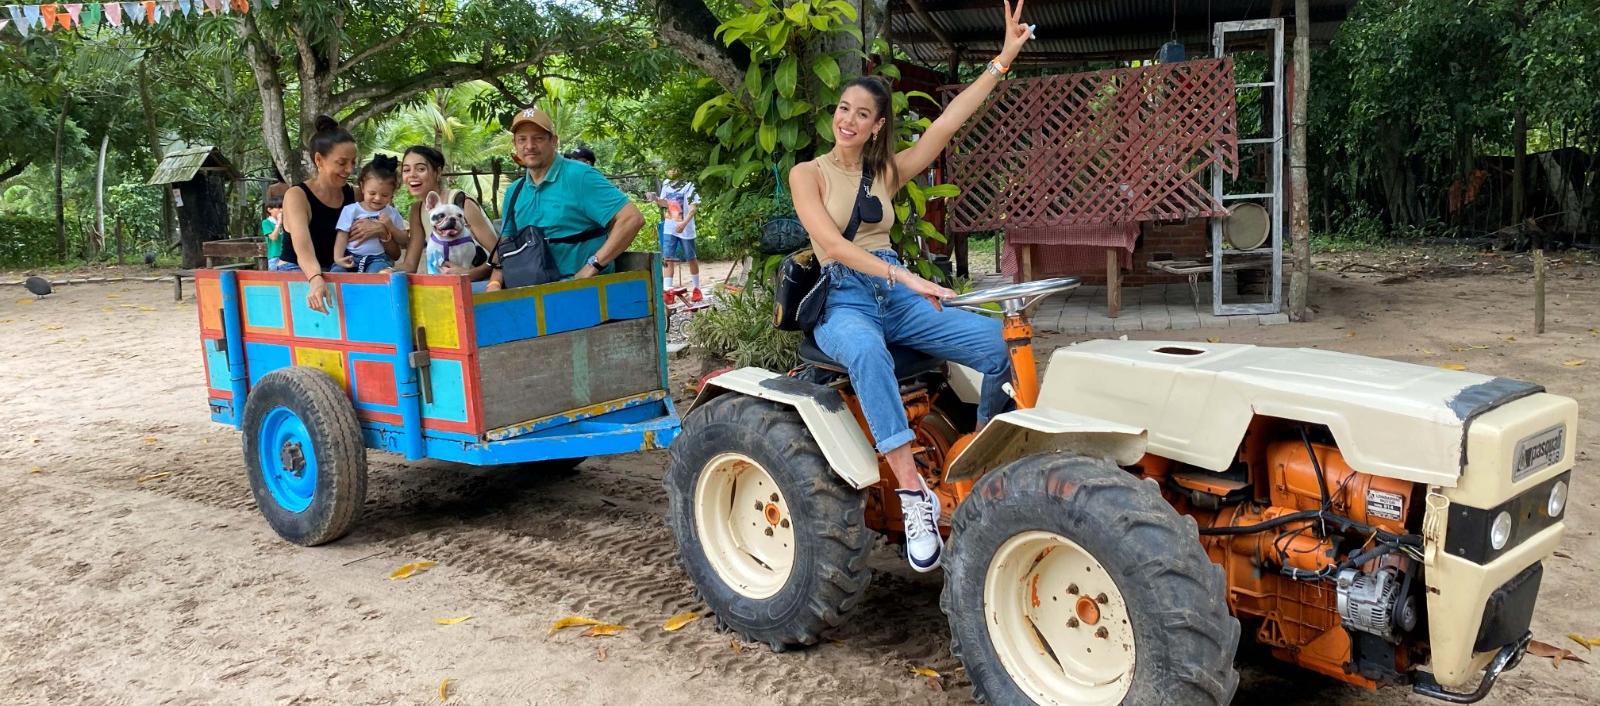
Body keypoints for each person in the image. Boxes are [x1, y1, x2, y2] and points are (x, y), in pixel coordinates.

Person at [787, 0, 1032, 573]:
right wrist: (908, 275)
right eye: (843, 108)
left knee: (998, 347)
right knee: (867, 351)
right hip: (844, 295)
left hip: (895, 296)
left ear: (876, 126)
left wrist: (1002, 60)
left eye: (861, 113)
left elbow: (948, 124)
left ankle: (978, 464)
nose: (847, 119)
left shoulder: (885, 173)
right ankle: (912, 494)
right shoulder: (809, 174)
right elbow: (837, 245)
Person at [489, 108, 644, 288]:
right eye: (522, 139)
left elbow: (632, 218)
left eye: (538, 138)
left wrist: (591, 266)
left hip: (584, 291)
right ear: (515, 144)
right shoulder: (515, 191)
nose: (529, 146)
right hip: (535, 292)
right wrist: (493, 283)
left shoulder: (579, 176)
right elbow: (506, 245)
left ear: (553, 141)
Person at [278, 115, 394, 313]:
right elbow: (303, 249)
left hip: (339, 270)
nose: (349, 169)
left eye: (353, 162)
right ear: (318, 160)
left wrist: (383, 230)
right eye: (342, 163)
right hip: (300, 271)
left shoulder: (355, 194)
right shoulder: (297, 196)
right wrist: (315, 279)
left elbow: (391, 247)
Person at [396, 146, 497, 280]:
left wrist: (470, 274)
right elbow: (410, 265)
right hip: (448, 285)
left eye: (420, 169)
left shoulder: (459, 202)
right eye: (406, 170)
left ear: (437, 173)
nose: (412, 175)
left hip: (481, 283)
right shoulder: (416, 210)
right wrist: (387, 271)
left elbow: (499, 254)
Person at [333, 155, 406, 274]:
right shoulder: (351, 210)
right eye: (372, 193)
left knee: (377, 276)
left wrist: (390, 226)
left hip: (378, 258)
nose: (377, 198)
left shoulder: (391, 213)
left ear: (393, 193)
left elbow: (404, 240)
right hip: (352, 256)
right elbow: (342, 235)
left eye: (384, 195)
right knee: (336, 273)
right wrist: (338, 258)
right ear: (362, 187)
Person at [651, 167, 702, 303]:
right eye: (669, 168)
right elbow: (665, 203)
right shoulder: (666, 184)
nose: (671, 171)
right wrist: (656, 199)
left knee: (691, 257)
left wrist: (684, 223)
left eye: (674, 168)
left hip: (685, 227)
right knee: (667, 258)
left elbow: (693, 207)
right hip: (669, 226)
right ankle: (668, 291)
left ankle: (697, 289)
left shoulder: (689, 185)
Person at [260, 184, 286, 271]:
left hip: (287, 257)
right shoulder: (266, 222)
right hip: (274, 256)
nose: (281, 210)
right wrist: (279, 223)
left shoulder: (287, 221)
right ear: (269, 209)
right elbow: (273, 237)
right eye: (278, 208)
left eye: (282, 207)